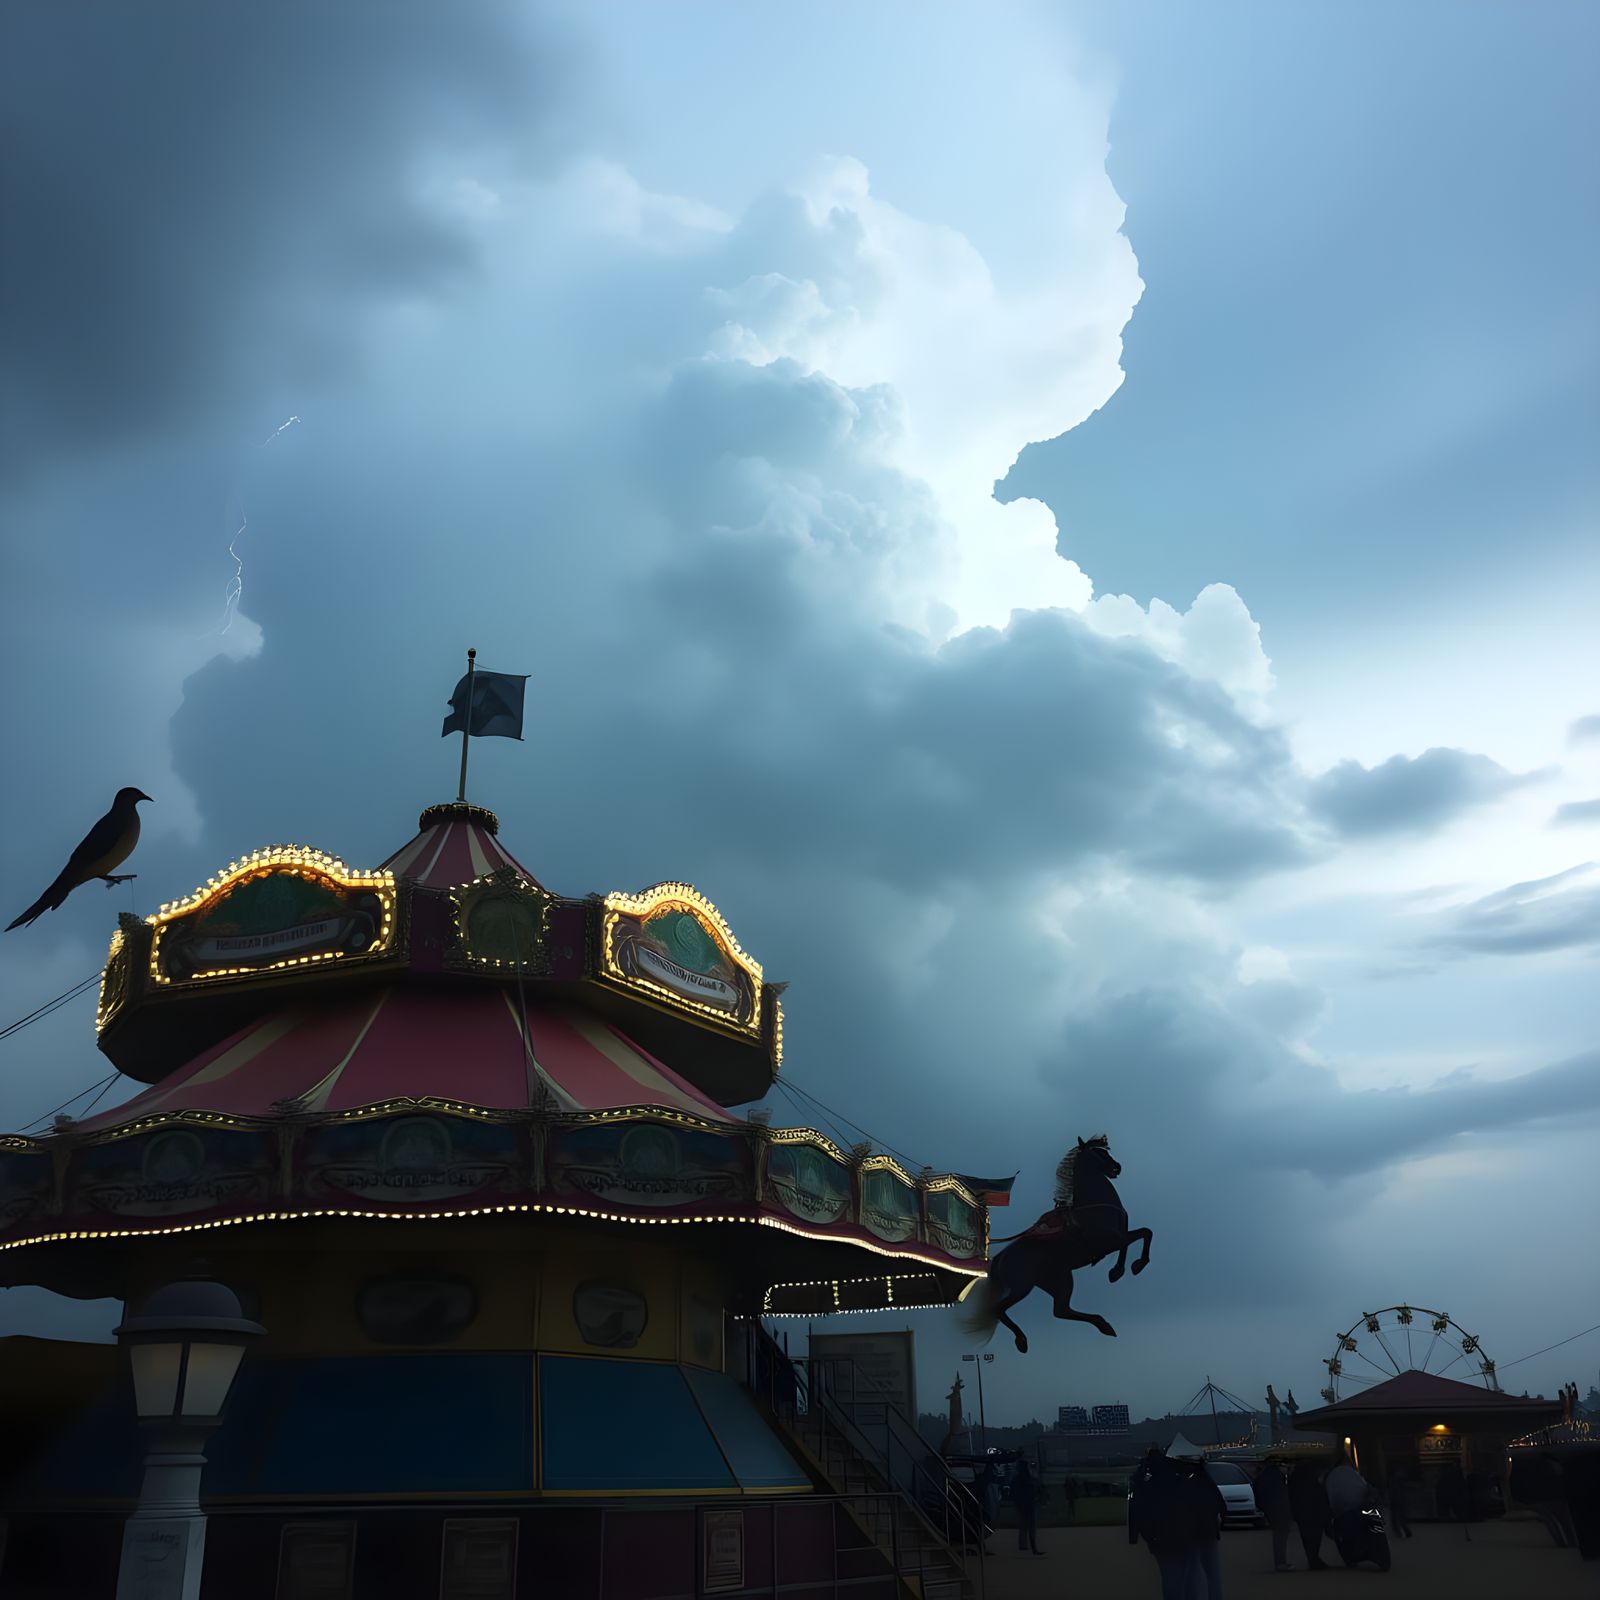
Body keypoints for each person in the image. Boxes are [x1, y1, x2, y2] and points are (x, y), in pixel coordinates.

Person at [1128, 1450, 1198, 1600]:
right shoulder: (1180, 1482)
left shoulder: (1146, 1487)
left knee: (1169, 1578)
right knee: (1183, 1579)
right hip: (1183, 1538)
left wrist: (1149, 1538)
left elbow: (1138, 1515)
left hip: (1160, 1540)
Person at [1174, 1451, 1227, 1599]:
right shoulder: (1207, 1482)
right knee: (1213, 1573)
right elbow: (1222, 1505)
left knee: (1193, 1571)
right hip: (1208, 1532)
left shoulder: (1181, 1484)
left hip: (1190, 1533)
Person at [1288, 1458, 1331, 1571]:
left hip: (1302, 1511)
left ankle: (1312, 1559)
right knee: (1314, 1536)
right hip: (1313, 1511)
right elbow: (1320, 1495)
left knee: (1307, 1536)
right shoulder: (1312, 1479)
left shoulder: (1297, 1476)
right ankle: (1313, 1559)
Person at [1253, 1458, 1295, 1572]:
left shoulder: (1265, 1475)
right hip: (1278, 1509)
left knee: (1279, 1535)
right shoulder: (1274, 1475)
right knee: (1280, 1536)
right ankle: (1281, 1562)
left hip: (1272, 1509)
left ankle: (1280, 1562)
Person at [1012, 1457, 1043, 1555]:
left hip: (1021, 1504)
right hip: (1029, 1503)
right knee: (1031, 1526)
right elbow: (1036, 1486)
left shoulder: (1016, 1478)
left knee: (1023, 1525)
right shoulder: (1029, 1478)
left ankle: (1023, 1546)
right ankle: (1033, 1547)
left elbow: (1014, 1492)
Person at [1384, 1465, 1413, 1539]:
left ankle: (1401, 1533)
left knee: (1396, 1517)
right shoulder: (1400, 1478)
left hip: (1395, 1499)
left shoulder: (1394, 1479)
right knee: (1400, 1517)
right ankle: (1404, 1532)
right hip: (1399, 1499)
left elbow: (1393, 1490)